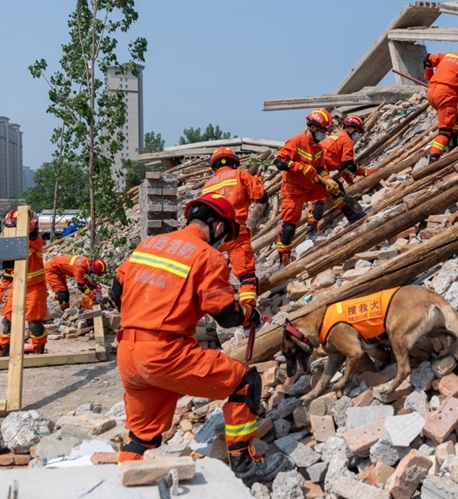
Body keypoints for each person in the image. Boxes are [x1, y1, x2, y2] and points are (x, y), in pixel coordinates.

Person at [109, 193, 291, 485]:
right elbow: (226, 315)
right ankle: (246, 464)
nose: (223, 242)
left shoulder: (148, 245)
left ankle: (125, 482)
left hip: (128, 352)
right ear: (218, 226)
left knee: (142, 436)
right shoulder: (207, 256)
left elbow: (115, 293)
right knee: (244, 382)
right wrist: (250, 314)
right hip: (164, 353)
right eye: (226, 235)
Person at [201, 147, 269, 306]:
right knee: (246, 275)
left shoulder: (207, 186)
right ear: (234, 163)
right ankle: (248, 314)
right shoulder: (240, 175)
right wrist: (258, 182)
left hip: (211, 235)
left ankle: (214, 303)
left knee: (211, 274)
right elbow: (261, 197)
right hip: (235, 231)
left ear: (215, 166)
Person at [274, 109, 341, 265]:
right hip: (293, 191)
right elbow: (279, 162)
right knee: (289, 227)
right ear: (313, 127)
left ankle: (352, 216)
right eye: (324, 130)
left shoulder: (318, 148)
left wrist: (327, 179)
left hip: (309, 187)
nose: (325, 134)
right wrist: (300, 167)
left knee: (336, 188)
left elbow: (321, 168)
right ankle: (283, 260)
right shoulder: (295, 142)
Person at [306, 114, 372, 239]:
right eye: (358, 132)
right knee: (322, 196)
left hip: (315, 163)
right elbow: (350, 165)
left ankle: (352, 216)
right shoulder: (346, 140)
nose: (358, 135)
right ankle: (310, 230)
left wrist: (351, 183)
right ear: (351, 129)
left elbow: (342, 167)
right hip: (318, 166)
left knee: (336, 189)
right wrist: (366, 173)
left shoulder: (338, 136)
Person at [0, 209, 48, 355]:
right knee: (6, 321)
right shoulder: (12, 244)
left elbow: (31, 232)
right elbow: (9, 270)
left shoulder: (34, 240)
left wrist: (26, 218)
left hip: (35, 287)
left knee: (33, 323)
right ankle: (4, 347)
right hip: (17, 287)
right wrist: (2, 289)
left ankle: (38, 348)